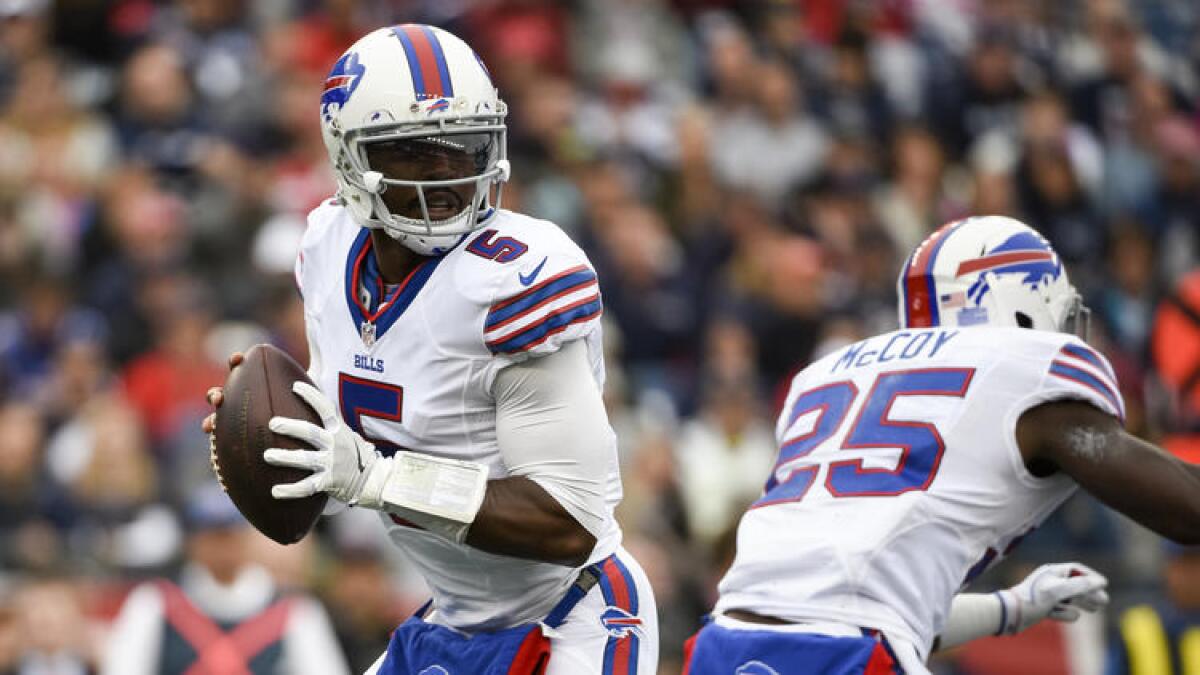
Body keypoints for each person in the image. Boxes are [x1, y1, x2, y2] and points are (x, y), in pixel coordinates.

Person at [203, 24, 657, 675]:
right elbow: (349, 449)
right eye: (415, 153)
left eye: (465, 149)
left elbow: (570, 522)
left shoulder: (518, 279)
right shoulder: (327, 248)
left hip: (571, 614)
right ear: (349, 158)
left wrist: (375, 475)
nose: (446, 176)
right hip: (449, 614)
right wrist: (288, 446)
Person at [684, 215, 1200, 675]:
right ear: (1021, 308)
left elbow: (837, 606)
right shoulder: (1023, 372)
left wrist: (1011, 608)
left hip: (724, 647)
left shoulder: (825, 376)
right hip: (848, 655)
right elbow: (1185, 513)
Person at [102, 486, 348, 675]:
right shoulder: (154, 603)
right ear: (192, 542)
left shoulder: (295, 610)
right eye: (212, 536)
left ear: (247, 538)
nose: (222, 548)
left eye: (229, 536)